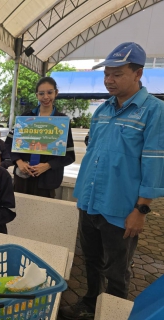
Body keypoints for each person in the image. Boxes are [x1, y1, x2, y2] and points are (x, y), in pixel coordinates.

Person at [60, 42, 164, 320]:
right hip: (90, 201)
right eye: (107, 73)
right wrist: (83, 198)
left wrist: (141, 210)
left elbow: (154, 162)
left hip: (122, 209)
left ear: (138, 73)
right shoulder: (103, 110)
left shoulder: (154, 111)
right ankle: (90, 303)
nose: (109, 80)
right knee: (90, 261)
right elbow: (95, 152)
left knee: (117, 269)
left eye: (117, 74)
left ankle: (114, 313)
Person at [6, 77, 75, 198]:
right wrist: (19, 162)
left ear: (56, 93)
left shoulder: (62, 122)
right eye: (41, 93)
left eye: (50, 92)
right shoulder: (25, 118)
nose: (46, 97)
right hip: (22, 178)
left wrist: (48, 165)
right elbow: (8, 144)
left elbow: (69, 155)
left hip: (47, 181)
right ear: (37, 95)